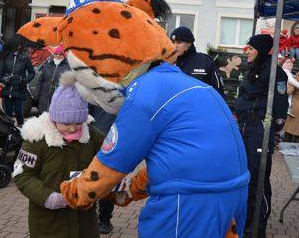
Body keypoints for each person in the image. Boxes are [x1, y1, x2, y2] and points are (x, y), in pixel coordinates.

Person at [61, 62, 250, 237]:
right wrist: (132, 189)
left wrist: (77, 191)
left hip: (190, 203)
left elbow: (113, 162)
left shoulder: (144, 92)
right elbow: (181, 158)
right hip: (232, 191)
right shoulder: (190, 84)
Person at [13, 71, 105, 238]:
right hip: (49, 224)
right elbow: (22, 175)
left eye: (78, 122)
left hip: (84, 223)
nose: (73, 128)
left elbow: (112, 154)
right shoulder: (37, 139)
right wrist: (47, 197)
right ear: (54, 118)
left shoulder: (91, 134)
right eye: (66, 123)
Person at [235, 34, 288, 238]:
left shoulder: (276, 73)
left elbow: (280, 107)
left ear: (261, 49)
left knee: (258, 178)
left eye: (250, 47)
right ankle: (247, 219)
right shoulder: (252, 70)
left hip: (259, 131)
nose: (246, 51)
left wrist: (269, 129)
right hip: (245, 128)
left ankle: (258, 226)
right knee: (246, 175)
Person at [170, 26, 224, 95]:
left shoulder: (205, 62)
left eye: (179, 42)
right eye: (173, 42)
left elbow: (218, 91)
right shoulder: (167, 63)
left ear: (189, 43)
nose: (175, 46)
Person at [89, 104, 116, 234]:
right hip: (112, 138)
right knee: (107, 180)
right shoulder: (129, 87)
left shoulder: (91, 85)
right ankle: (104, 220)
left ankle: (99, 217)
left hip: (94, 134)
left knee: (91, 177)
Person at [0, 36, 35, 126]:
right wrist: (2, 79)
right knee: (8, 113)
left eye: (20, 44)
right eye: (17, 44)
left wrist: (24, 81)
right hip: (7, 90)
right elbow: (0, 71)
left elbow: (32, 73)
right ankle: (9, 133)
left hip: (19, 89)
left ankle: (21, 130)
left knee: (19, 112)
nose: (18, 46)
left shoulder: (25, 58)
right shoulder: (5, 56)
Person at [34, 44, 70, 113]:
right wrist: (36, 95)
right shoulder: (47, 66)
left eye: (60, 54)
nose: (58, 55)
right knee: (43, 118)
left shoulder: (67, 67)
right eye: (56, 54)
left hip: (59, 98)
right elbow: (40, 81)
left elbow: (69, 86)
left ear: (64, 55)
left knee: (55, 119)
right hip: (44, 97)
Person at [283, 71, 299, 142]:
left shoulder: (295, 80)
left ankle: (287, 145)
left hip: (295, 107)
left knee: (289, 128)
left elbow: (289, 91)